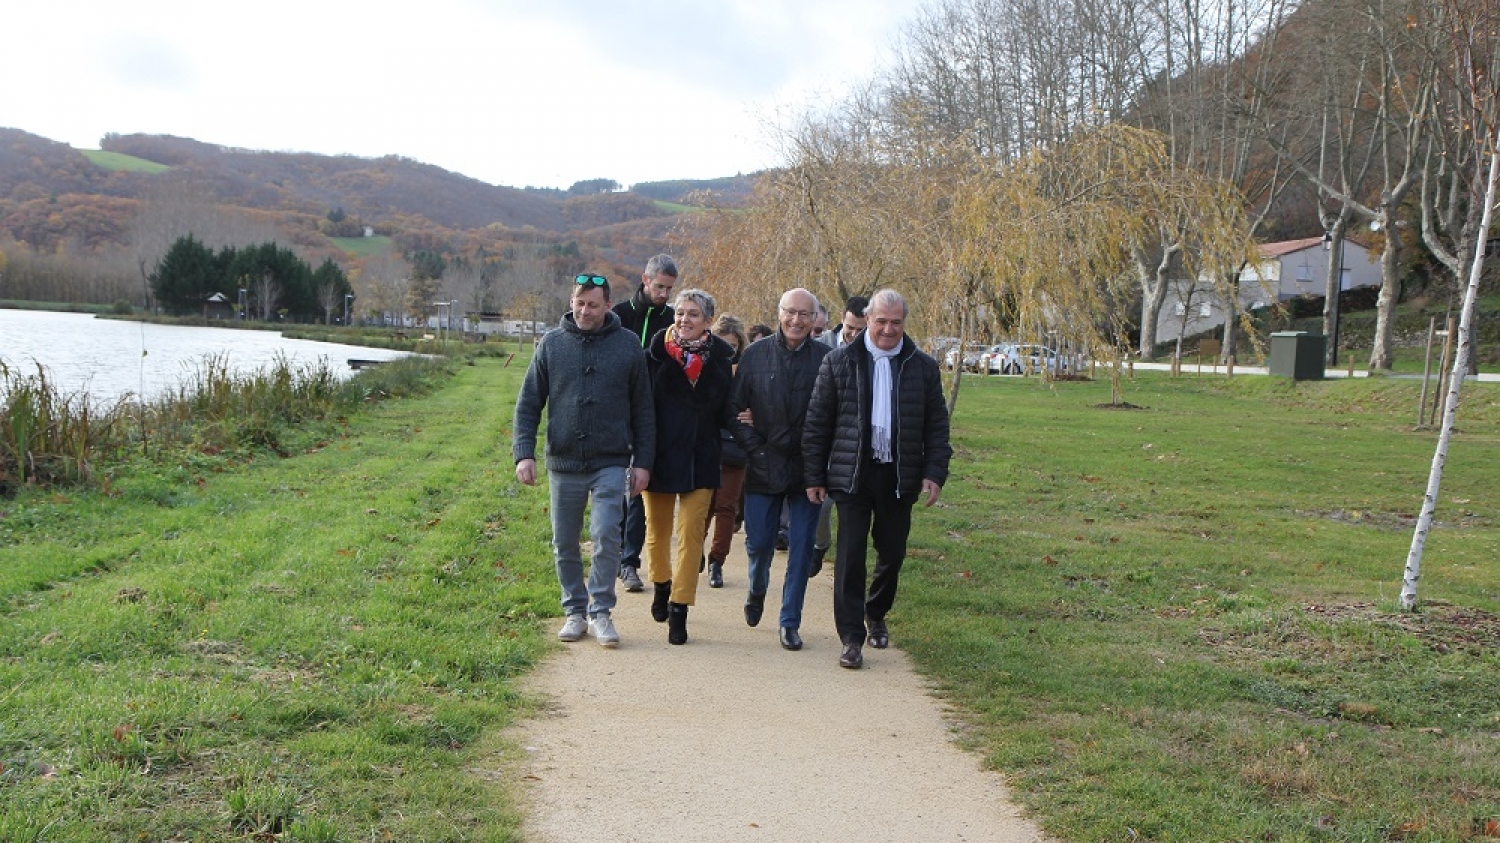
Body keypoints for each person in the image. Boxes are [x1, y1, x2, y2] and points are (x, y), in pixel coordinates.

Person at [803, 289, 952, 669]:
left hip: (899, 474)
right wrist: (814, 475)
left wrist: (934, 473)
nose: (888, 329)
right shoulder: (839, 363)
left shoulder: (922, 367)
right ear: (867, 320)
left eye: (896, 322)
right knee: (851, 556)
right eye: (881, 321)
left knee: (892, 552)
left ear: (904, 323)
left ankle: (876, 612)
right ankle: (851, 638)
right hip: (852, 473)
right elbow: (818, 424)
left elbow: (937, 427)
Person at [513, 273, 655, 648]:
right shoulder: (551, 345)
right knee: (564, 541)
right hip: (564, 461)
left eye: (592, 304)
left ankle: (601, 612)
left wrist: (642, 461)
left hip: (610, 460)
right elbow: (528, 404)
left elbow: (643, 409)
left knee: (606, 533)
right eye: (579, 302)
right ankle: (574, 610)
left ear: (608, 305)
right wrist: (523, 454)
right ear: (571, 301)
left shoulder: (627, 346)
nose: (584, 310)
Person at [730, 288, 830, 652]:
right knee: (758, 545)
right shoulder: (755, 356)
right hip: (763, 466)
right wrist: (754, 449)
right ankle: (757, 590)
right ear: (779, 313)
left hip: (808, 471)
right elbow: (734, 411)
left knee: (802, 548)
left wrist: (821, 466)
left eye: (805, 314)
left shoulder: (827, 359)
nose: (797, 320)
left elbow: (835, 417)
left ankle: (790, 620)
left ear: (815, 318)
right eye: (791, 312)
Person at [641, 290, 736, 644]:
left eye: (693, 314)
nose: (684, 320)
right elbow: (640, 408)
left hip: (701, 455)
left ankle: (680, 607)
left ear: (707, 321)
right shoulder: (652, 356)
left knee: (692, 534)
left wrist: (746, 425)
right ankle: (661, 586)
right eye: (680, 313)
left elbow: (728, 409)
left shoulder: (721, 360)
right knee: (657, 532)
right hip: (660, 456)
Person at [612, 254, 678, 593]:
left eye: (670, 288)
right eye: (660, 287)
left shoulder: (672, 321)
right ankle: (612, 554)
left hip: (653, 417)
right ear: (645, 279)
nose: (665, 294)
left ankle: (629, 562)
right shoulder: (619, 316)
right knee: (615, 489)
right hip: (616, 415)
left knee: (638, 488)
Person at [809, 295, 870, 575]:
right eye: (850, 328)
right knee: (820, 508)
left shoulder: (876, 353)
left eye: (861, 330)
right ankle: (821, 545)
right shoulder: (820, 349)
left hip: (853, 445)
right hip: (824, 439)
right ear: (841, 320)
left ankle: (846, 567)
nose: (855, 335)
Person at [702, 313, 749, 589]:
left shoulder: (745, 369)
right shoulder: (702, 365)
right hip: (707, 443)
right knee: (703, 503)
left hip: (734, 444)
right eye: (723, 344)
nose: (727, 351)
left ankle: (716, 561)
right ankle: (695, 549)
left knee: (726, 506)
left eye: (732, 345)